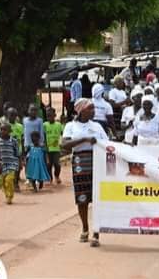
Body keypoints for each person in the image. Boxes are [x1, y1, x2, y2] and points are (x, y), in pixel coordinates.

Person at [62, 98, 108, 247]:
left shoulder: (97, 126)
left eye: (94, 108)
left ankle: (96, 232)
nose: (94, 111)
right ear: (81, 110)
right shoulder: (70, 126)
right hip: (80, 163)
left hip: (96, 161)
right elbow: (64, 145)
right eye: (91, 108)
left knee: (97, 198)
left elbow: (107, 143)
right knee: (82, 198)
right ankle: (85, 228)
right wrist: (84, 139)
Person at [0, 122, 20, 204]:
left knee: (9, 180)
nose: (3, 131)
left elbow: (17, 153)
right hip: (2, 164)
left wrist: (19, 163)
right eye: (1, 129)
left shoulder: (13, 141)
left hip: (11, 164)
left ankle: (10, 196)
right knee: (3, 181)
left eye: (5, 130)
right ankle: (7, 194)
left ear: (10, 131)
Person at [44, 107, 64, 184]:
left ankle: (57, 176)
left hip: (56, 148)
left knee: (57, 164)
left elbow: (62, 135)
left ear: (55, 115)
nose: (49, 117)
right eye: (47, 116)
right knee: (48, 164)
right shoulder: (44, 125)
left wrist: (62, 143)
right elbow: (43, 136)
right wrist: (45, 146)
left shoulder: (59, 125)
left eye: (51, 115)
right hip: (48, 148)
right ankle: (49, 178)